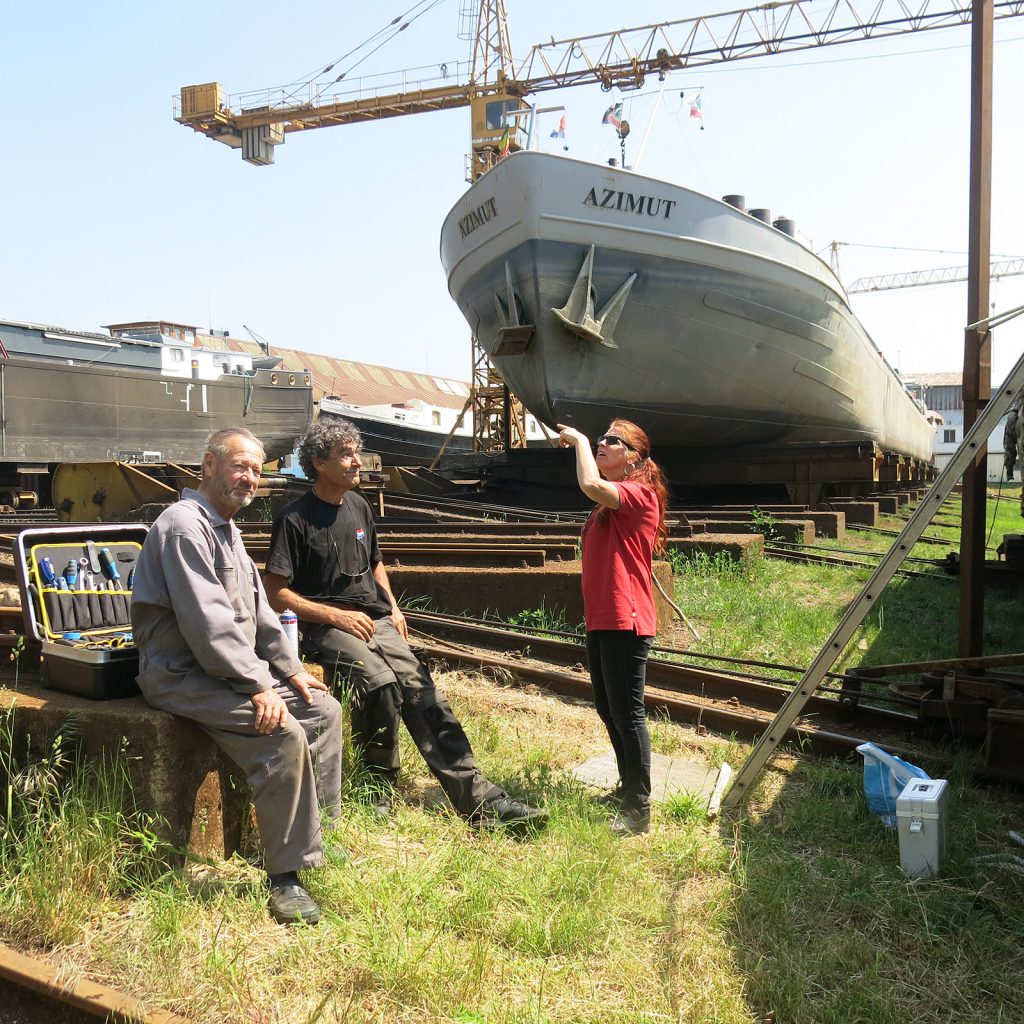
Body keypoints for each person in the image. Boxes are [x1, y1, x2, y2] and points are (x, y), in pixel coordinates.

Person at [262, 416, 548, 832]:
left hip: (375, 620)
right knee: (381, 685)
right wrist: (336, 615)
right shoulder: (294, 518)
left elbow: (376, 562)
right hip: (327, 627)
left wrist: (393, 607)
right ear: (319, 463)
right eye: (346, 455)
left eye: (355, 452)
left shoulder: (358, 506)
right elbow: (276, 593)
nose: (357, 461)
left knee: (423, 690)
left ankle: (481, 803)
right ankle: (380, 785)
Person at [131, 427, 342, 926]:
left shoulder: (225, 527)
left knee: (322, 710)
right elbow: (209, 626)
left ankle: (322, 836)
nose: (249, 478)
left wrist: (290, 670)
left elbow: (260, 614)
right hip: (181, 675)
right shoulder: (184, 527)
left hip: (223, 672)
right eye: (239, 466)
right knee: (281, 731)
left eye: (255, 469)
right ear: (208, 465)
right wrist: (259, 685)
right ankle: (286, 877)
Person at [556, 419, 669, 835]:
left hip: (627, 618)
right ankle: (627, 788)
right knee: (609, 708)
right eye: (601, 439)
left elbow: (588, 482)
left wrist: (582, 443)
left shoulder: (638, 495)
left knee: (628, 713)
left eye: (611, 440)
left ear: (633, 456)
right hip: (603, 617)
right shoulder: (611, 502)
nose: (603, 444)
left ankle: (638, 809)